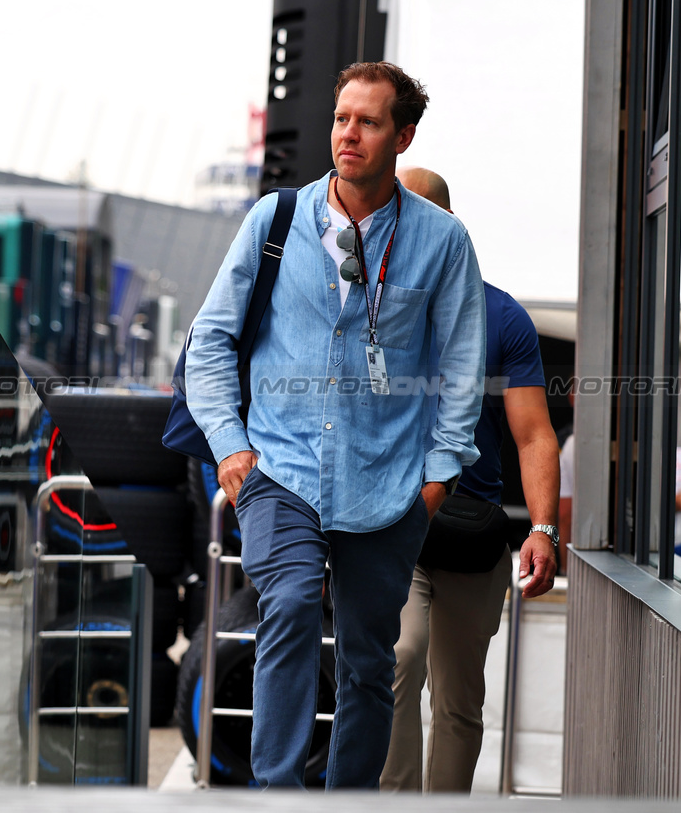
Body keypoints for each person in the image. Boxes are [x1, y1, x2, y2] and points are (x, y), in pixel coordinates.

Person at [187, 62, 487, 789]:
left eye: (369, 121)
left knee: (367, 661)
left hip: (388, 483)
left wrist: (438, 477)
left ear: (402, 135)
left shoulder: (443, 244)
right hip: (280, 469)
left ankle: (346, 801)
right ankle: (277, 793)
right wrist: (231, 448)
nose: (349, 134)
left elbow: (461, 367)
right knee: (287, 605)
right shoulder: (276, 221)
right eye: (343, 117)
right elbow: (209, 341)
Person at [379, 167, 560, 793]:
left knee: (457, 699)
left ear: (444, 228)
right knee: (398, 660)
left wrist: (542, 528)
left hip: (468, 534)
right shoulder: (366, 308)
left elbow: (534, 433)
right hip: (389, 529)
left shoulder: (501, 317)